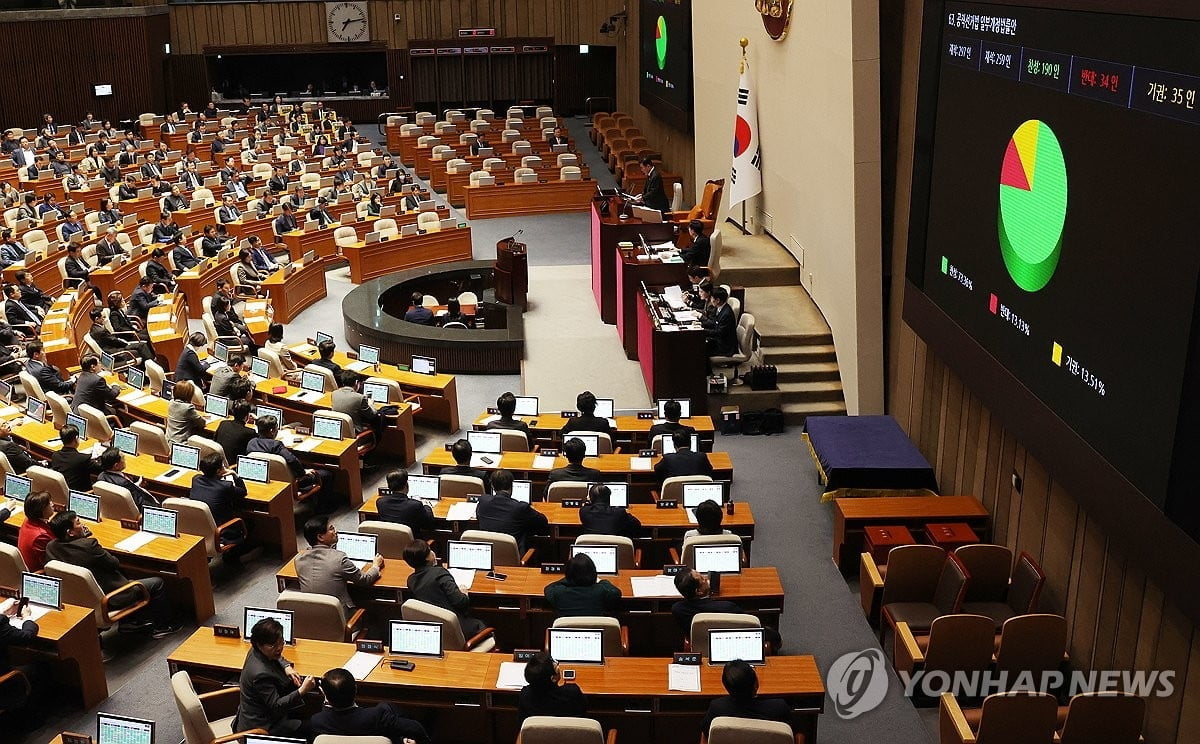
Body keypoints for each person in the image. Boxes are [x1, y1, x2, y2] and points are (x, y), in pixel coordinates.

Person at [46, 510, 180, 637]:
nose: (83, 525)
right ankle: (165, 626)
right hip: (112, 597)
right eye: (79, 523)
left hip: (80, 598)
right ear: (70, 532)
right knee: (157, 582)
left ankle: (131, 622)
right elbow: (114, 563)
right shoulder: (89, 546)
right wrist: (88, 542)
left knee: (126, 575)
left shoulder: (51, 547)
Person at [234, 617, 317, 737]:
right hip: (262, 727)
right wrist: (302, 691)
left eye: (281, 642)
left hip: (258, 712)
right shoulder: (260, 675)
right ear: (259, 644)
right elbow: (276, 706)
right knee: (311, 727)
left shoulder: (255, 649)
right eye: (273, 645)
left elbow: (277, 655)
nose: (279, 648)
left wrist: (286, 666)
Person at [310, 667, 430, 743]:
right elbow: (415, 728)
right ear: (356, 689)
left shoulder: (317, 721)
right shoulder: (376, 716)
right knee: (386, 706)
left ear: (324, 693)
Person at [246, 416, 336, 516]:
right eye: (276, 428)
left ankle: (309, 501)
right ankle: (323, 509)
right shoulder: (276, 445)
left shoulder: (251, 443)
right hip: (293, 484)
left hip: (268, 483)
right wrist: (303, 472)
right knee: (327, 474)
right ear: (272, 431)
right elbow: (292, 460)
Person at [672, 570, 780, 652]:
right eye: (702, 579)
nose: (706, 578)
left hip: (703, 648)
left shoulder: (678, 610)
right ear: (699, 591)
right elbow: (751, 625)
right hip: (737, 646)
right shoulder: (728, 608)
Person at [295, 515, 383, 610]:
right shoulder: (339, 559)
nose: (335, 531)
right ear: (320, 537)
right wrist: (375, 566)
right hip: (339, 615)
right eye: (331, 529)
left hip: (311, 614)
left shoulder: (298, 560)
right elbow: (365, 580)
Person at [403, 540, 487, 637]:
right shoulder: (440, 573)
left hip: (435, 630)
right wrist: (464, 593)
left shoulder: (411, 580)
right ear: (427, 558)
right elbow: (461, 602)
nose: (433, 552)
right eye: (430, 550)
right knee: (481, 624)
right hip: (457, 628)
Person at [189, 452, 254, 565]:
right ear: (219, 471)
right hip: (222, 531)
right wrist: (234, 474)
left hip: (200, 528)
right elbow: (243, 492)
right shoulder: (225, 486)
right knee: (249, 522)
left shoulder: (196, 479)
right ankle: (234, 557)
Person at [701, 661, 794, 736]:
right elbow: (795, 733)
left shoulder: (717, 708)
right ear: (756, 685)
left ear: (726, 686)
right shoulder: (779, 707)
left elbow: (707, 734)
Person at [477, 469, 549, 551]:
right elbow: (543, 523)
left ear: (492, 486)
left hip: (489, 554)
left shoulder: (483, 502)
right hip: (514, 558)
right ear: (511, 485)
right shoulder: (521, 507)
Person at [518, 651, 588, 723]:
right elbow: (584, 710)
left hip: (537, 734)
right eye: (555, 665)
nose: (558, 666)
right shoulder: (572, 693)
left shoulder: (525, 695)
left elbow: (521, 722)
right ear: (553, 678)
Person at [543, 553, 622, 617]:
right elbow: (616, 592)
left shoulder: (559, 592)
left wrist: (568, 579)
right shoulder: (601, 590)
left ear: (568, 574)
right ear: (593, 572)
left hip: (568, 633)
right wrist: (602, 581)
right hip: (597, 632)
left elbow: (549, 588)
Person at [95, 447, 158, 512]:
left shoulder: (101, 476)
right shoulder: (123, 483)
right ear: (116, 466)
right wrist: (157, 507)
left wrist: (136, 485)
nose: (125, 460)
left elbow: (126, 491)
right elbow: (140, 502)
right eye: (123, 458)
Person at [17, 493, 55, 571]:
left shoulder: (28, 520)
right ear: (41, 511)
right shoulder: (41, 536)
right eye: (48, 503)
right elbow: (49, 564)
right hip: (39, 572)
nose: (52, 504)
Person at [166, 379, 207, 443]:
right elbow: (202, 423)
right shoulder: (188, 408)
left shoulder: (171, 403)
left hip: (169, 440)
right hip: (181, 443)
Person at [702, 286, 737, 357]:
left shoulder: (726, 314)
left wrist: (702, 331)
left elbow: (719, 333)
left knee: (699, 349)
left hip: (724, 347)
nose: (710, 300)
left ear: (717, 300)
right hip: (718, 340)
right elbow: (714, 323)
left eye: (711, 298)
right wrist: (701, 324)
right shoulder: (719, 308)